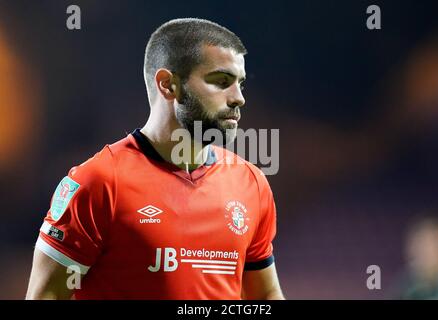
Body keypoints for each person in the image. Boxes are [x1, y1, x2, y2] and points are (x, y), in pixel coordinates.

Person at [26, 18, 284, 300]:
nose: (238, 98)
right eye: (221, 82)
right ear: (168, 85)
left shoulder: (250, 184)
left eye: (240, 84)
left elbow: (266, 296)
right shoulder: (99, 182)